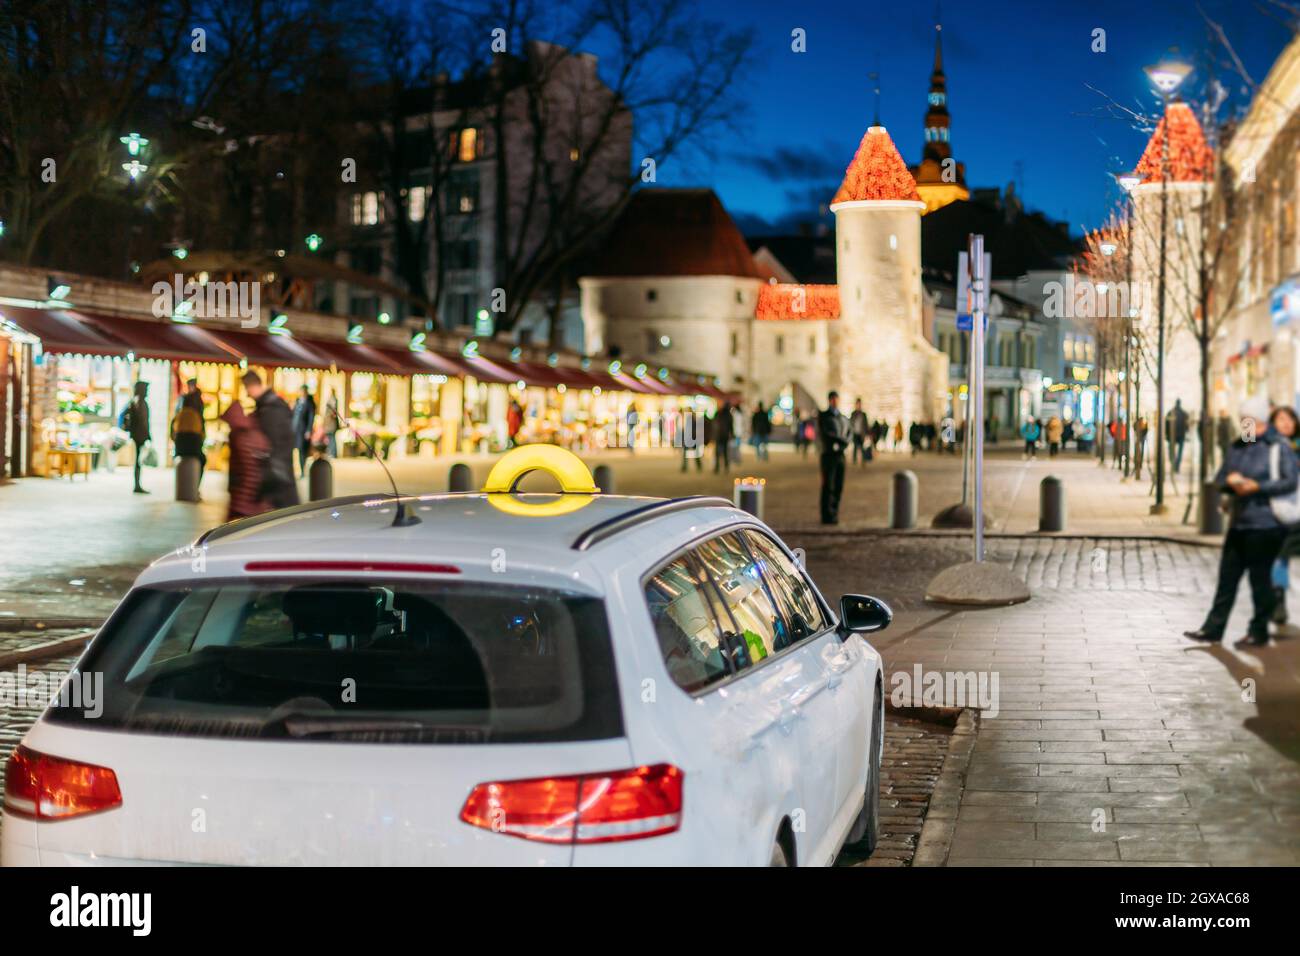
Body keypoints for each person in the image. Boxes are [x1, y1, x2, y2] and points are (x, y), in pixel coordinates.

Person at [1185, 397, 1297, 648]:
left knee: (1260, 581)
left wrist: (1257, 486)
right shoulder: (1239, 445)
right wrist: (1231, 481)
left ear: (1261, 421)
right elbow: (1222, 476)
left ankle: (1259, 631)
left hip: (1266, 524)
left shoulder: (1277, 446)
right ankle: (1212, 629)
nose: (1245, 426)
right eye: (1243, 421)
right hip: (1239, 522)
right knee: (1227, 578)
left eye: (1250, 421)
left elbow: (1290, 481)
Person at [242, 371, 299, 509]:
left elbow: (275, 443)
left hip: (276, 474)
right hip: (277, 472)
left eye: (246, 389)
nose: (247, 394)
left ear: (251, 387)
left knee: (283, 516)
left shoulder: (271, 409)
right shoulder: (269, 405)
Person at [1271, 406, 1300, 624]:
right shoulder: (1267, 446)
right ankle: (1278, 601)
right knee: (1279, 557)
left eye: (1290, 418)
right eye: (1281, 419)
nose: (1286, 423)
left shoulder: (1296, 446)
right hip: (1278, 509)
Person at [220, 401, 272, 521]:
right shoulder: (253, 432)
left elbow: (245, 468)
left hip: (245, 495)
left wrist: (239, 493)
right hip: (254, 495)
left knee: (238, 528)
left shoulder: (239, 437)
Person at [818, 391, 850, 525]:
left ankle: (835, 512)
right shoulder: (824, 416)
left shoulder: (842, 417)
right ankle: (827, 515)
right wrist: (841, 440)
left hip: (840, 455)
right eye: (833, 399)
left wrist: (845, 441)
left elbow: (850, 432)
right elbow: (826, 434)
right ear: (830, 400)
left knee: (838, 485)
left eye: (837, 399)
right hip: (828, 455)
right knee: (828, 485)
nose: (835, 402)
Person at [171, 378, 206, 488]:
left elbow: (174, 424)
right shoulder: (194, 412)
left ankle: (188, 487)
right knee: (201, 460)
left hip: (184, 438)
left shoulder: (183, 410)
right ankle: (194, 487)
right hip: (192, 438)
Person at [123, 381, 151, 494]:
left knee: (138, 460)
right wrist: (148, 434)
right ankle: (137, 484)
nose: (147, 391)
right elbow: (143, 421)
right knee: (138, 461)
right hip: (140, 435)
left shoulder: (135, 401)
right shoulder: (141, 403)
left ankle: (137, 484)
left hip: (137, 434)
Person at [291, 385, 317, 477]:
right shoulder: (297, 402)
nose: (301, 393)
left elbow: (311, 418)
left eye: (302, 391)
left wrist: (309, 430)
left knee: (302, 451)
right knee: (295, 450)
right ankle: (293, 471)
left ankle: (302, 470)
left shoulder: (310, 403)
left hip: (303, 431)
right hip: (295, 430)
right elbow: (292, 414)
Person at [712, 401, 734, 474]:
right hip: (725, 435)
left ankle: (717, 467)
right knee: (725, 452)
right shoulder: (728, 415)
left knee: (717, 452)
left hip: (718, 435)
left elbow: (714, 424)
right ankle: (726, 467)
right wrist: (732, 434)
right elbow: (731, 426)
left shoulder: (718, 413)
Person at [1169, 399, 1190, 473]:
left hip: (1172, 435)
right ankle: (1177, 467)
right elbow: (1187, 425)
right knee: (1179, 452)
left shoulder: (1171, 412)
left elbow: (1167, 424)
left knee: (1172, 451)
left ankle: (1173, 465)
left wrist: (1167, 435)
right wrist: (1187, 433)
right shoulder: (1184, 413)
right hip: (1181, 435)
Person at [680, 407, 703, 472]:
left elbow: (691, 429)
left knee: (694, 453)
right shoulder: (691, 418)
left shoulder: (692, 418)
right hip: (690, 438)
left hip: (691, 438)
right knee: (693, 453)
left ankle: (697, 466)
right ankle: (687, 466)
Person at [321, 393, 342, 458]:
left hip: (331, 425)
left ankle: (332, 453)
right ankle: (331, 453)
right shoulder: (332, 401)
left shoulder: (332, 401)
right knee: (330, 439)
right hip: (329, 425)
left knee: (332, 439)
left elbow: (333, 413)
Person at [848, 399, 868, 466]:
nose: (858, 405)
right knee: (855, 447)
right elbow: (850, 423)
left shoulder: (863, 414)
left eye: (859, 404)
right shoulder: (853, 414)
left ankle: (863, 461)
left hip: (861, 434)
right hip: (855, 433)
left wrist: (867, 434)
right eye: (857, 404)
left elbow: (866, 425)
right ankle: (854, 460)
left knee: (862, 448)